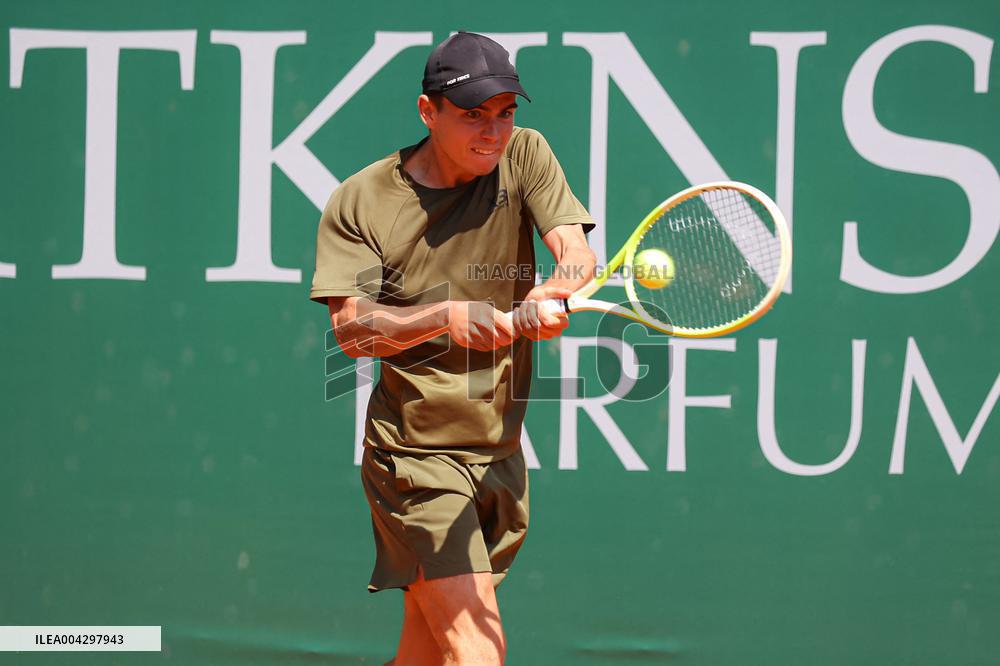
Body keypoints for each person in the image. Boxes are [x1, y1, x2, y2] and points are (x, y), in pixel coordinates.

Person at [310, 31, 596, 665]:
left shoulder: (526, 156)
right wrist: (442, 316)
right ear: (427, 112)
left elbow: (575, 252)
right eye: (473, 116)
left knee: (425, 656)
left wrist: (555, 289)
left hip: (498, 449)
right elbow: (352, 330)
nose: (493, 133)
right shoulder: (361, 202)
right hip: (415, 460)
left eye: (505, 114)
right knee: (477, 652)